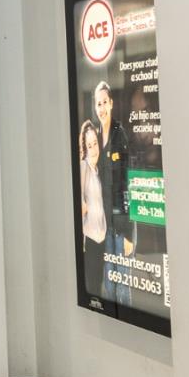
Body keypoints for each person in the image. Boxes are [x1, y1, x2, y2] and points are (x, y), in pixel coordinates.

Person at [93, 81, 135, 306]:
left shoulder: (120, 136)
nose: (101, 108)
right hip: (105, 226)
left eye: (104, 102)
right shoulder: (96, 139)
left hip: (121, 225)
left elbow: (126, 184)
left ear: (111, 104)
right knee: (109, 284)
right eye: (97, 103)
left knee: (123, 287)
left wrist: (128, 233)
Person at [78, 121, 108, 295]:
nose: (94, 149)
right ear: (85, 148)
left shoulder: (98, 170)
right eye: (89, 146)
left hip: (101, 238)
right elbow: (79, 203)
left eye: (95, 143)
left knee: (98, 288)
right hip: (89, 240)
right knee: (93, 289)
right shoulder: (84, 168)